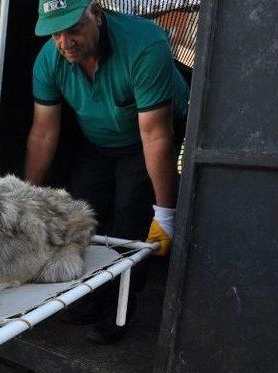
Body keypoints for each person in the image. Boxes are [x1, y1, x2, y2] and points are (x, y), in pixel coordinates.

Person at [25, 0, 189, 342]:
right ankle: (85, 298)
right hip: (97, 140)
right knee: (84, 212)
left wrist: (166, 214)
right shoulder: (49, 60)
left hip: (148, 137)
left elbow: (156, 135)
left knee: (130, 217)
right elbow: (43, 133)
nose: (65, 42)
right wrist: (24, 196)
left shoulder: (145, 45)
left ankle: (118, 311)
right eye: (56, 33)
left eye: (73, 28)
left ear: (97, 14)